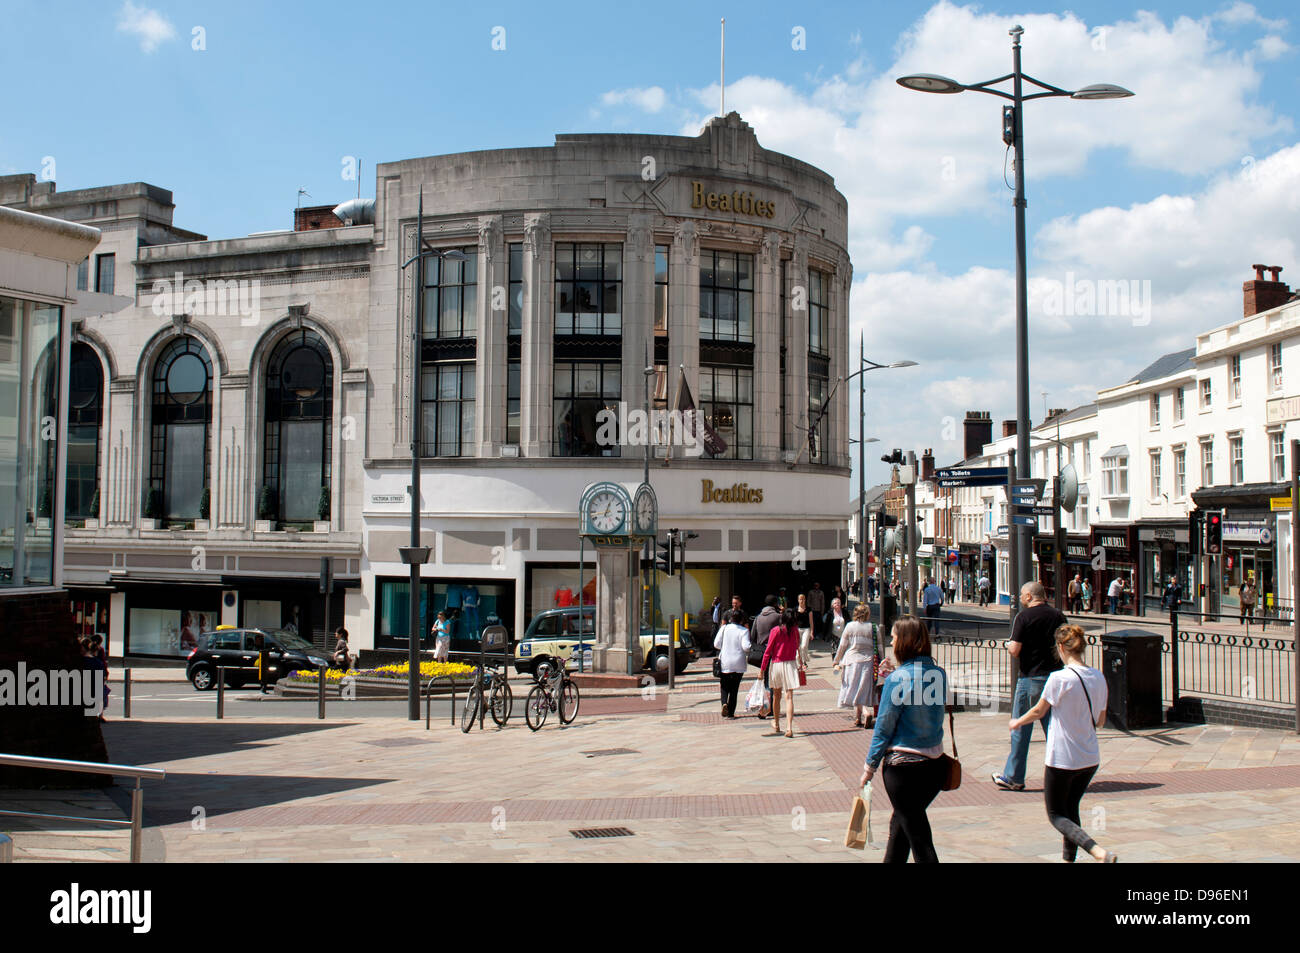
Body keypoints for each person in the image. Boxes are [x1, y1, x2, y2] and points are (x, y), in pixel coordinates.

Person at [1009, 624, 1117, 863]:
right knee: (1070, 809)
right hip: (1089, 757)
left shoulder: (1059, 678)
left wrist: (1017, 722)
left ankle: (1097, 851)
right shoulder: (1099, 677)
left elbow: (1038, 710)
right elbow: (1100, 721)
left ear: (1060, 648)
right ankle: (1068, 860)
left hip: (1063, 759)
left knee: (1056, 814)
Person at [859, 616, 949, 864]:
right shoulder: (938, 674)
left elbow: (884, 726)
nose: (892, 640)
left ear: (905, 642)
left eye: (895, 636)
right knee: (901, 830)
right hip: (934, 766)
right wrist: (893, 675)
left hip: (903, 768)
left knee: (920, 840)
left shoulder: (898, 679)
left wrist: (870, 766)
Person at [993, 582, 1066, 791]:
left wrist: (1008, 645)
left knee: (1021, 728)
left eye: (1023, 595)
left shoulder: (1023, 617)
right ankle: (1062, 776)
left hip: (1030, 679)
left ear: (1028, 597)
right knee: (1054, 730)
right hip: (1055, 677)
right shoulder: (1058, 616)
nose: (1022, 598)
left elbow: (1015, 649)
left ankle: (1014, 776)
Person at [760, 607, 804, 737]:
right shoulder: (795, 631)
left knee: (777, 696)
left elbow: (768, 651)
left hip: (777, 664)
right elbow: (797, 647)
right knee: (789, 697)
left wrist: (762, 669)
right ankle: (789, 728)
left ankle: (777, 724)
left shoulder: (775, 630)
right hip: (790, 664)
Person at [833, 603, 878, 728]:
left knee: (854, 687)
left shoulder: (849, 626)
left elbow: (842, 645)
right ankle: (858, 717)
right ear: (867, 614)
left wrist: (836, 660)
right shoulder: (873, 627)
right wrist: (881, 660)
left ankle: (864, 712)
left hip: (852, 660)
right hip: (868, 661)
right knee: (862, 689)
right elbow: (879, 646)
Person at [713, 609, 752, 718]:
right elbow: (746, 647)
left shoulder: (724, 628)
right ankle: (731, 712)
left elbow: (716, 644)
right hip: (739, 662)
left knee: (724, 685)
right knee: (734, 688)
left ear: (730, 619)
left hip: (725, 661)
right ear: (741, 620)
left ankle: (724, 703)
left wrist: (724, 647)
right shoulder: (743, 630)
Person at [794, 592, 815, 666]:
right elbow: (794, 621)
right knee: (798, 647)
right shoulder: (795, 609)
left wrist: (812, 632)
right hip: (798, 629)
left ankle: (804, 660)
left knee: (804, 646)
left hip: (806, 629)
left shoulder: (809, 609)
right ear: (798, 600)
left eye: (803, 599)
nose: (802, 601)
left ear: (805, 600)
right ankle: (800, 661)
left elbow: (811, 621)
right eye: (800, 599)